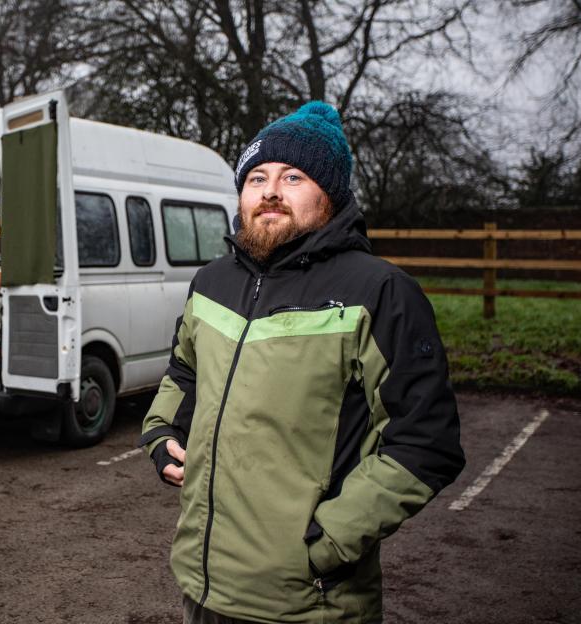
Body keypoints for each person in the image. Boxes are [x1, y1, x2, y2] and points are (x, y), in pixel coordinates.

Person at [139, 101, 465, 624]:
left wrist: (326, 544)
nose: (270, 190)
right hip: (202, 587)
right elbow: (185, 372)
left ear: (330, 196)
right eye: (257, 177)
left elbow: (426, 442)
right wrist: (160, 433)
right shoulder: (212, 281)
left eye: (294, 176)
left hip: (309, 602)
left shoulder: (380, 292)